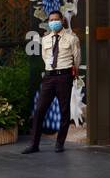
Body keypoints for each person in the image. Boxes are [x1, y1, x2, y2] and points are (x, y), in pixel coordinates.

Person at [22, 9, 81, 154]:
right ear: (48, 22)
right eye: (51, 20)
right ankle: (34, 144)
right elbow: (45, 57)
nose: (53, 22)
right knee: (40, 110)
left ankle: (60, 143)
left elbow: (77, 58)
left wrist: (71, 72)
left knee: (64, 110)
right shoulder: (46, 39)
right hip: (49, 77)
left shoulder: (72, 38)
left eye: (56, 19)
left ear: (62, 21)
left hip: (64, 76)